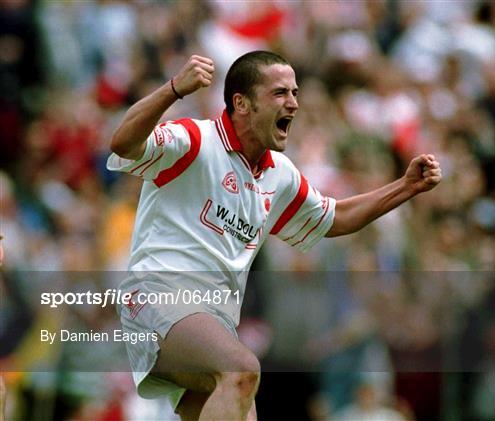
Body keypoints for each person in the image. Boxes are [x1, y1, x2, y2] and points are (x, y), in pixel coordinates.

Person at [107, 51, 442, 420]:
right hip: (159, 296)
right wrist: (172, 89)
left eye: (295, 93)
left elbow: (336, 217)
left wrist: (405, 187)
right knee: (241, 369)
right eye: (281, 93)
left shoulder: (279, 174)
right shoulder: (195, 140)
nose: (294, 104)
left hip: (213, 324)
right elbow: (123, 143)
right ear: (242, 103)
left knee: (241, 395)